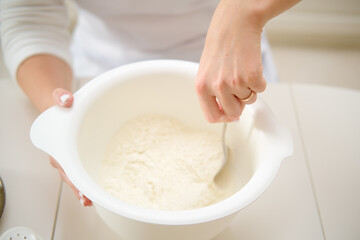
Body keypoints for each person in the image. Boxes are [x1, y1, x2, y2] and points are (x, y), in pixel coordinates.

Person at [0, 0, 300, 206]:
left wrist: (244, 10)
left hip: (230, 60)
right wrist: (57, 113)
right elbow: (29, 16)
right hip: (98, 66)